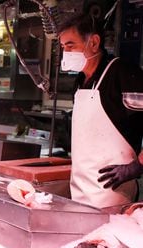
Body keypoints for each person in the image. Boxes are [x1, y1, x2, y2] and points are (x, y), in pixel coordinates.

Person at [59, 14, 143, 208]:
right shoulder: (80, 82)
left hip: (114, 192)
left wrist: (137, 166)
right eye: (63, 47)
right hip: (80, 187)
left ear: (94, 42)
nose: (65, 53)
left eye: (70, 45)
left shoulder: (122, 74)